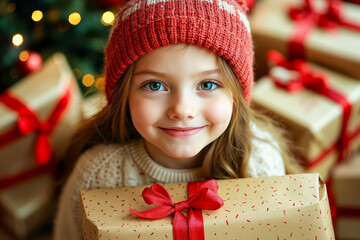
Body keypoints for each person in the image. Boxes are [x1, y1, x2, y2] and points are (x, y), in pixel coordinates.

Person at [53, 0, 298, 239]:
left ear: (237, 95)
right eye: (155, 85)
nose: (182, 109)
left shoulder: (259, 164)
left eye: (208, 84)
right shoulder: (96, 175)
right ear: (123, 94)